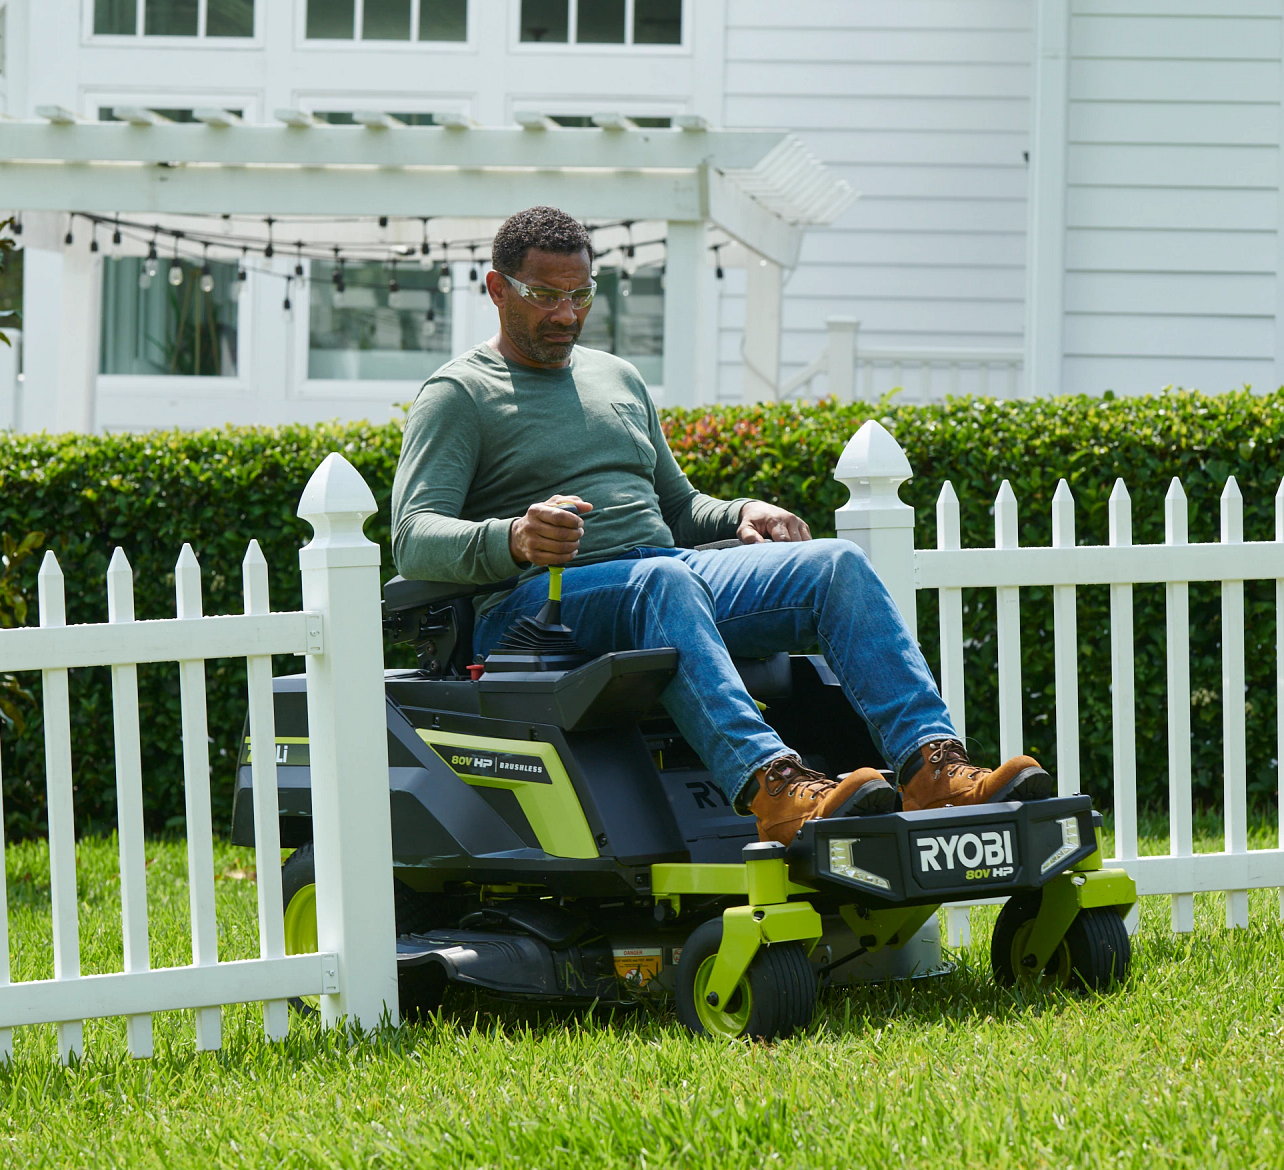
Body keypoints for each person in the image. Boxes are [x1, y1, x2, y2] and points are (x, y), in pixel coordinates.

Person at [391, 206, 1052, 845]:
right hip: (537, 610)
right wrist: (513, 537)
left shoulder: (617, 378)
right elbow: (413, 536)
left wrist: (739, 512)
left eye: (581, 296)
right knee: (661, 583)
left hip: (663, 575)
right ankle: (777, 787)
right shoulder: (459, 396)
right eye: (545, 295)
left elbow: (677, 509)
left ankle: (930, 767)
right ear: (497, 288)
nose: (566, 315)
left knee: (836, 566)